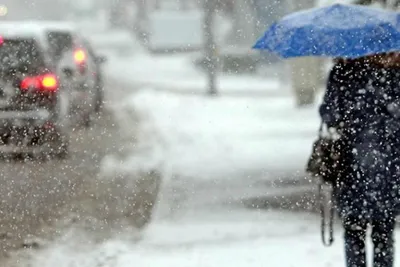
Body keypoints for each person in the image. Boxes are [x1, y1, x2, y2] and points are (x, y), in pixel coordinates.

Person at [319, 53, 400, 267]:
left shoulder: (343, 73)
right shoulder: (394, 73)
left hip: (352, 164)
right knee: (384, 231)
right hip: (389, 163)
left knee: (354, 230)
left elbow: (330, 115)